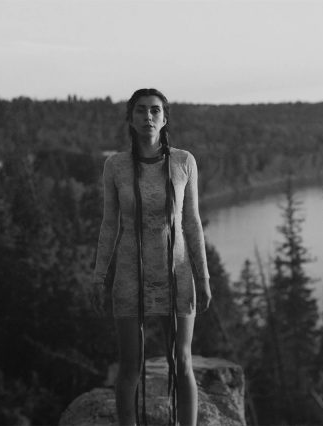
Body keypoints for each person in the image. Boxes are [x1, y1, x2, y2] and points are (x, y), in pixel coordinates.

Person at [90, 88, 212, 426]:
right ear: (130, 118)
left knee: (182, 361)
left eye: (155, 110)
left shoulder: (183, 162)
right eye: (141, 110)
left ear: (165, 118)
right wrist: (99, 277)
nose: (148, 117)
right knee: (130, 365)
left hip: (177, 272)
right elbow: (108, 224)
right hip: (130, 275)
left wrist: (203, 277)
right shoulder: (115, 166)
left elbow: (191, 222)